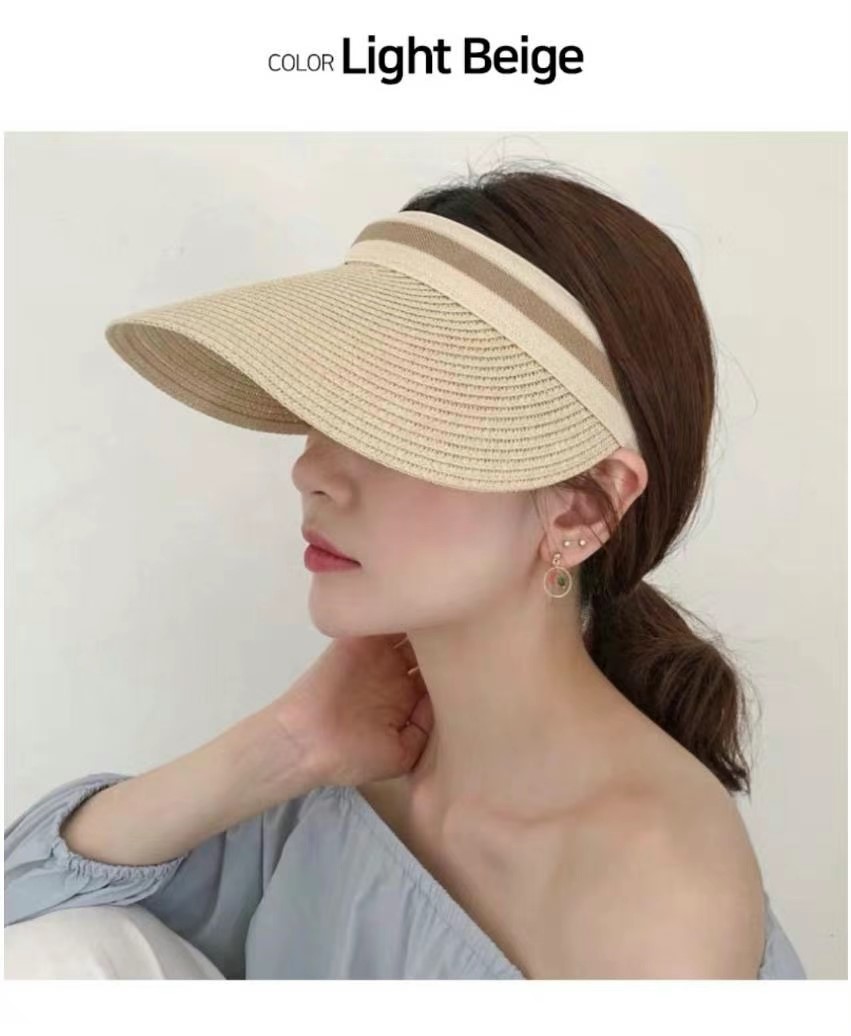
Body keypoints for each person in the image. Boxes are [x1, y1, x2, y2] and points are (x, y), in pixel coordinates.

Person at [5, 162, 807, 979]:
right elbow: (30, 907)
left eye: (394, 426)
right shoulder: (340, 774)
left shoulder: (650, 891)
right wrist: (286, 744)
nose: (311, 471)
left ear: (579, 511)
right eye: (328, 409)